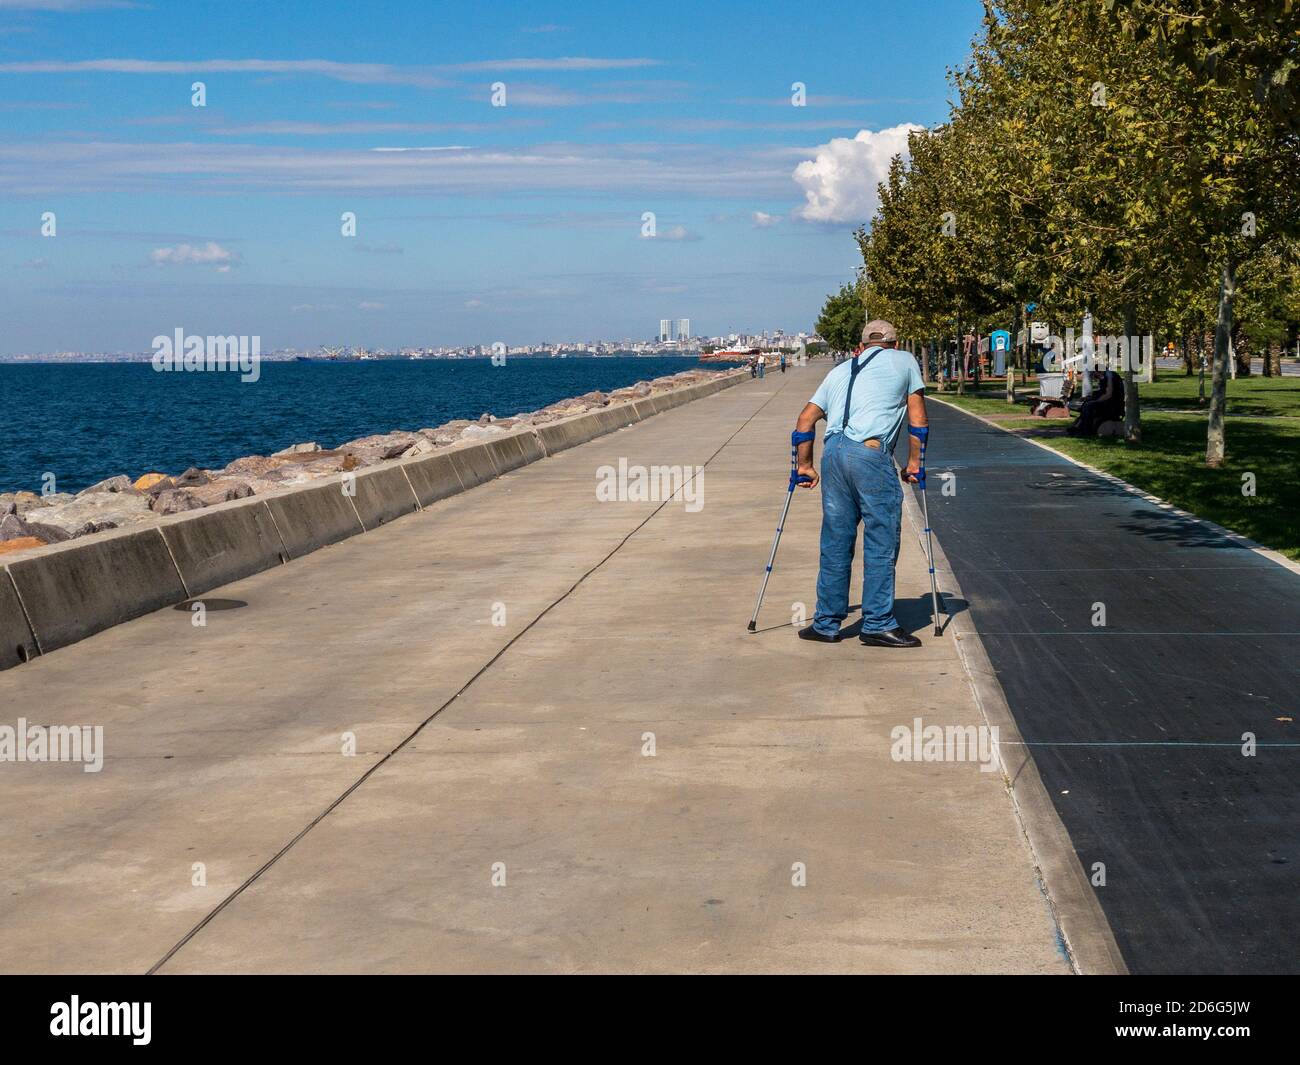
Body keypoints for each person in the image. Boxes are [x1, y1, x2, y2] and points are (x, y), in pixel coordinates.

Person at [792, 319, 928, 648]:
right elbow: (918, 419)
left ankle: (825, 623)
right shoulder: (906, 361)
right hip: (869, 455)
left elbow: (805, 420)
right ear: (895, 344)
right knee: (880, 541)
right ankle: (878, 622)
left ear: (862, 345)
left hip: (833, 453)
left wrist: (805, 466)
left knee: (836, 541)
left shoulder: (840, 370)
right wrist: (914, 464)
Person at [1068, 366, 1124, 436]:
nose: (1095, 377)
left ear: (1099, 372)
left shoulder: (1110, 377)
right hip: (1109, 403)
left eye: (1095, 374)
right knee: (1087, 403)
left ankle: (1086, 432)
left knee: (1089, 406)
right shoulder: (1106, 376)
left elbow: (1108, 394)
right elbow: (1102, 392)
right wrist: (1088, 398)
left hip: (1113, 406)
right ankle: (1079, 427)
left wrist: (1095, 401)